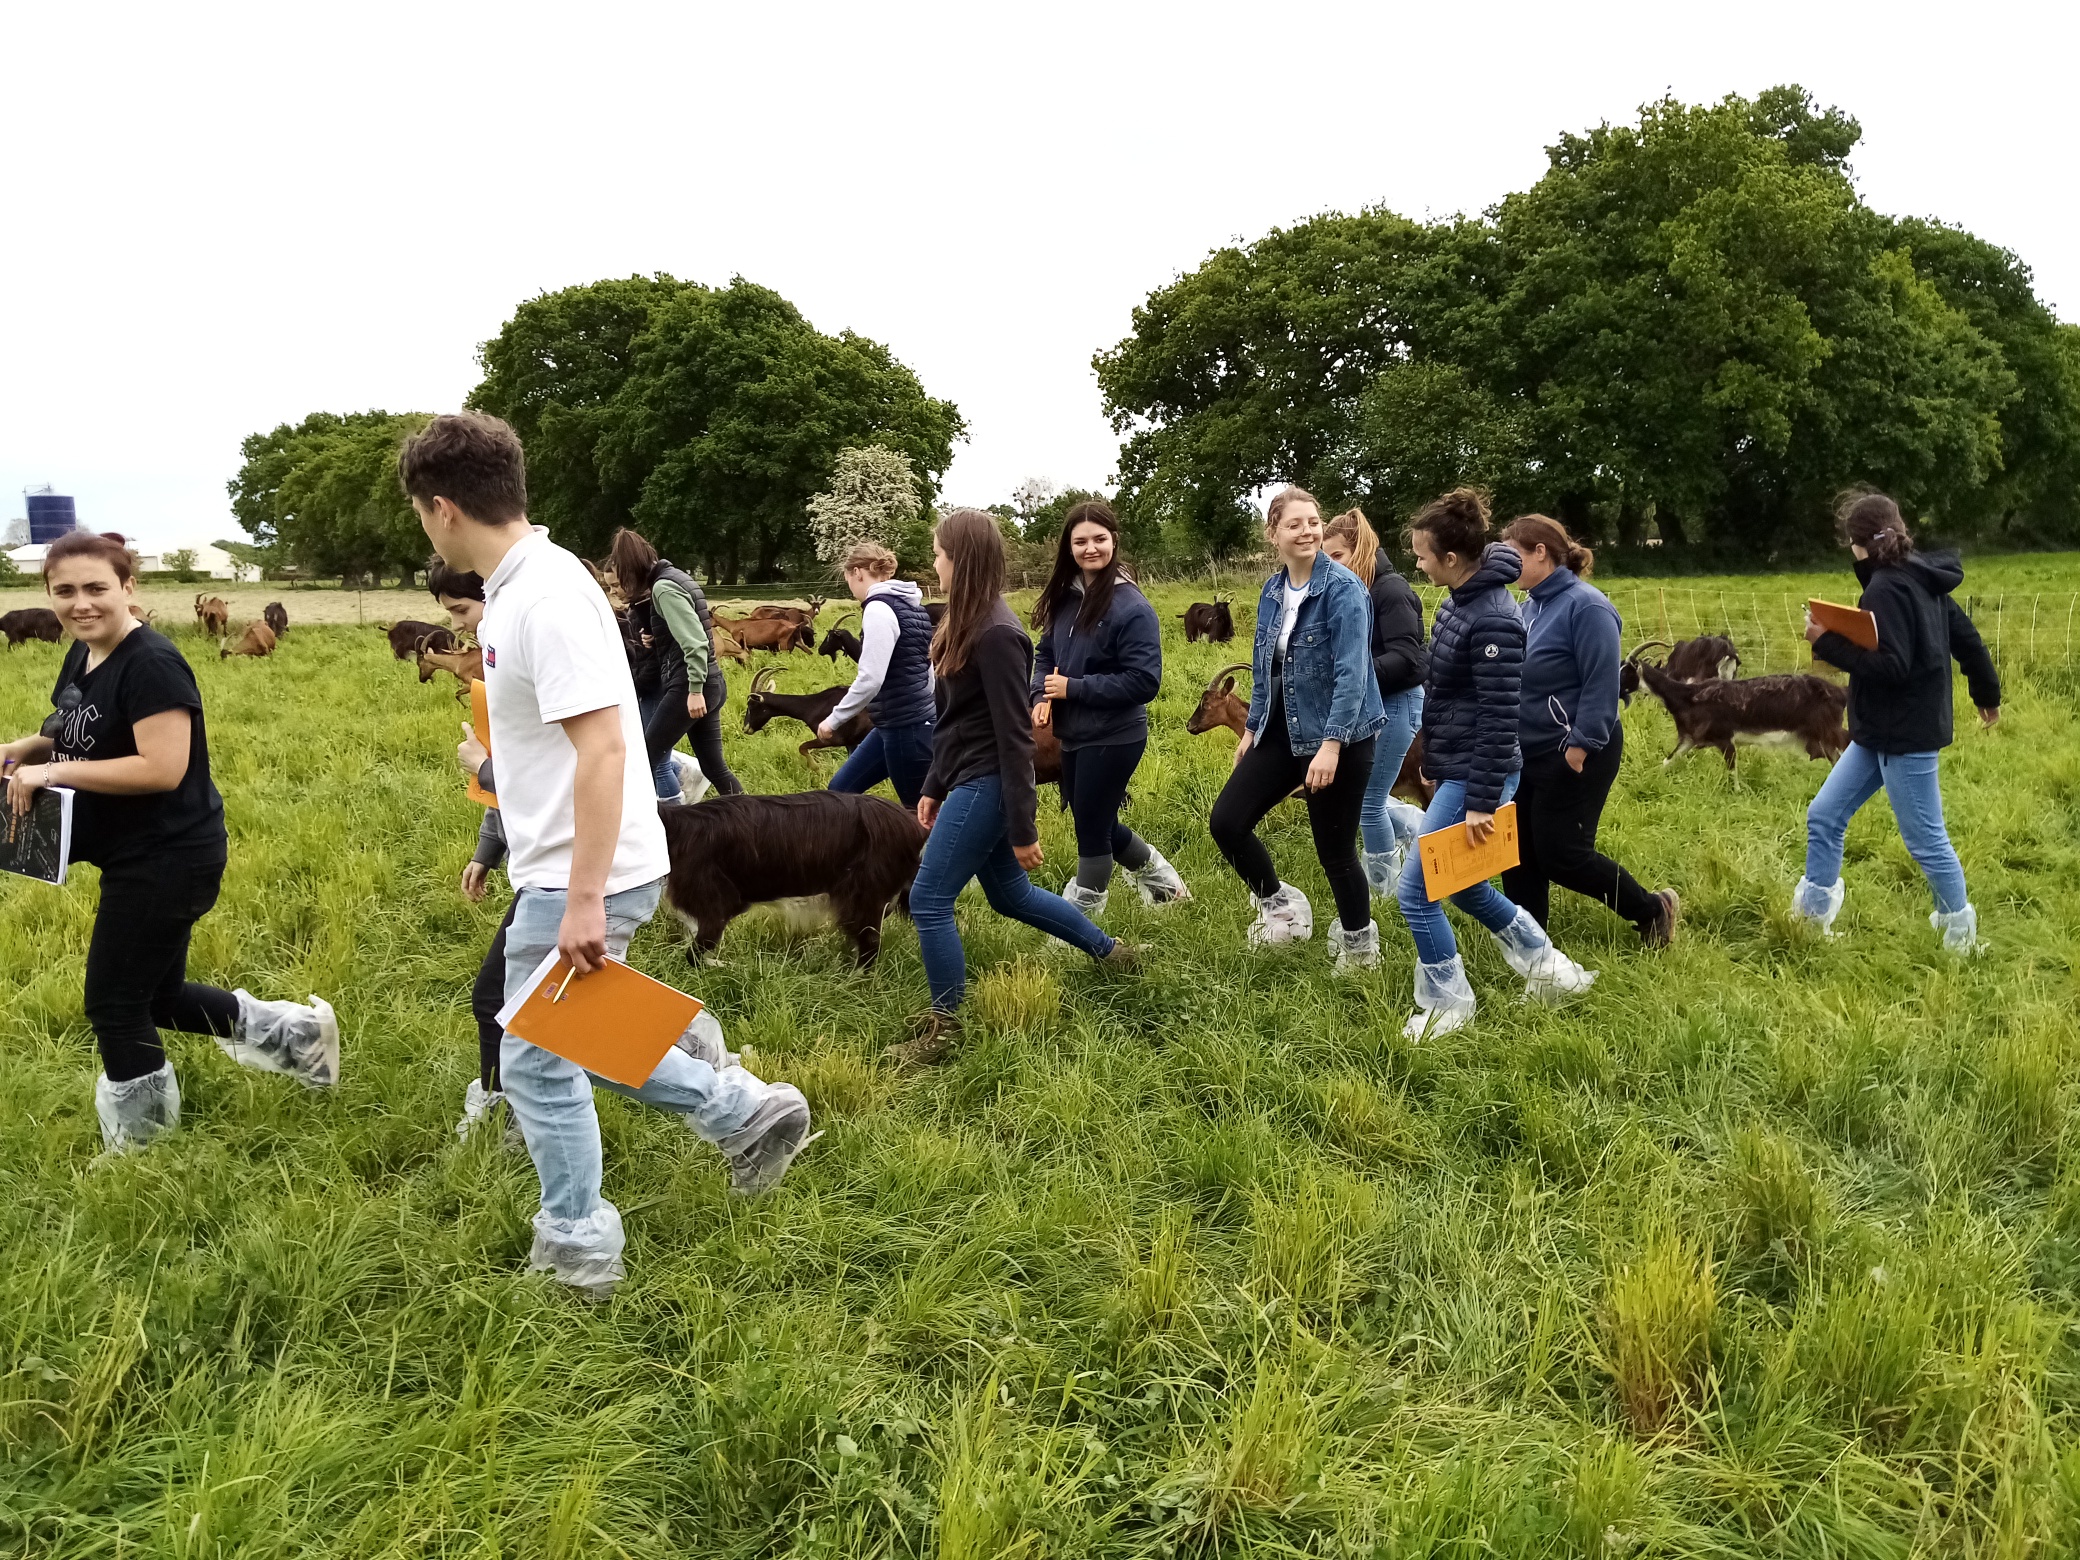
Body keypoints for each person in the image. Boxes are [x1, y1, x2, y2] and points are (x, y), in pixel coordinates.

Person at [404, 412, 810, 1302]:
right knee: (571, 1033)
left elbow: (603, 749)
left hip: (578, 871)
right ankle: (747, 1115)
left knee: (537, 1060)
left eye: (419, 517)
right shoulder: (525, 587)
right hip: (575, 860)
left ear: (441, 509)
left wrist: (583, 897)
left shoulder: (543, 596)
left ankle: (580, 1250)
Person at [1, 530, 338, 1155]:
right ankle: (297, 1037)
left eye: (97, 588)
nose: (82, 603)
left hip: (168, 857)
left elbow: (161, 767)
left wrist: (52, 772)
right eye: (65, 591)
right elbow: (88, 735)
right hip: (137, 853)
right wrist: (32, 747)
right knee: (159, 994)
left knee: (114, 1002)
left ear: (130, 587)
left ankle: (145, 1153)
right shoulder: (84, 653)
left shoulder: (151, 662)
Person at [895, 509, 1131, 1062]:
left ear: (962, 558)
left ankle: (945, 1029)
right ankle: (1112, 952)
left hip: (989, 785)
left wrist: (1023, 827)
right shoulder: (965, 621)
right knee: (1011, 896)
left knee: (929, 900)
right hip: (965, 778)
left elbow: (1014, 738)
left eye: (938, 553)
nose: (934, 563)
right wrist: (932, 784)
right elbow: (952, 721)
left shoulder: (999, 633)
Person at [1394, 490, 1595, 1038]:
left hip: (1480, 773)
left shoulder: (1494, 621)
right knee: (1463, 886)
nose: (1417, 561)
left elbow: (1500, 716)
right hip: (1458, 765)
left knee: (1417, 891)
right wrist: (1434, 757)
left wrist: (1482, 800)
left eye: (1421, 554)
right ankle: (1552, 970)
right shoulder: (1459, 600)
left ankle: (1447, 1006)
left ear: (1452, 559)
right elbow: (1449, 697)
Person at [1795, 489, 2000, 952]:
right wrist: (1987, 694)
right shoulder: (1921, 576)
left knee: (1926, 839)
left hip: (1905, 734)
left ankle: (1961, 939)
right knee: (1825, 815)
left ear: (1856, 543)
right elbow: (1967, 639)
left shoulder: (1886, 586)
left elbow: (1892, 665)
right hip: (1877, 731)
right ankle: (1809, 925)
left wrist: (1823, 640)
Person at [1208, 487, 1387, 969]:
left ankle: (1358, 947)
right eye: (1295, 524)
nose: (1307, 530)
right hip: (1284, 729)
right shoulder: (1271, 590)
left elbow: (1353, 673)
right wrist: (1252, 729)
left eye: (1313, 521)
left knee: (1335, 850)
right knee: (1226, 822)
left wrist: (1331, 747)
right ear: (1274, 534)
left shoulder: (1345, 590)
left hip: (1342, 735)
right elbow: (1265, 665)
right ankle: (1281, 908)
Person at [1498, 514, 1679, 946]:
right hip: (1528, 752)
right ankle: (1531, 944)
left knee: (1562, 855)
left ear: (1540, 553)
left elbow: (1603, 685)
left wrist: (1578, 748)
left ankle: (1653, 909)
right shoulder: (1529, 607)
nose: (1506, 566)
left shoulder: (1588, 606)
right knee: (1519, 854)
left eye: (1512, 555)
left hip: (1577, 749)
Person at [1029, 499, 1188, 915]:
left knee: (1091, 828)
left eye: (1099, 539)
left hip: (1115, 735)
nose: (1090, 548)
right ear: (1068, 547)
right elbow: (1045, 654)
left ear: (1114, 541)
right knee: (1092, 818)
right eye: (1080, 541)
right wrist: (1040, 696)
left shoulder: (1131, 607)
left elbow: (1144, 681)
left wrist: (1073, 688)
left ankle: (1081, 920)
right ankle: (1164, 884)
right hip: (1073, 731)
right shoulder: (1065, 599)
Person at [1321, 507, 1429, 895]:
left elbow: (1408, 658)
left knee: (1368, 802)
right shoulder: (1356, 589)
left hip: (1397, 703)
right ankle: (1421, 837)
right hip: (1373, 705)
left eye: (1337, 555)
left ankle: (1387, 889)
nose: (1331, 564)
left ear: (1361, 548)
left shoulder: (1391, 590)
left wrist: (1354, 673)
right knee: (1367, 798)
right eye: (1325, 557)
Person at [605, 528, 739, 803]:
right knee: (714, 767)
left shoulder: (663, 588)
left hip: (688, 688)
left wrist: (694, 690)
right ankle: (750, 821)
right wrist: (658, 637)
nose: (622, 589)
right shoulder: (678, 577)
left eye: (622, 580)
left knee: (645, 759)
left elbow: (695, 642)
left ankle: (655, 829)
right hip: (713, 682)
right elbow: (687, 629)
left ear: (632, 570)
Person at [820, 540, 937, 808]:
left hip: (907, 728)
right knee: (840, 790)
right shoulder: (912, 607)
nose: (850, 586)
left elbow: (871, 678)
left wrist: (833, 720)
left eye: (847, 578)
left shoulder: (878, 609)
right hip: (897, 724)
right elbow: (927, 668)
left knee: (917, 815)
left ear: (857, 573)